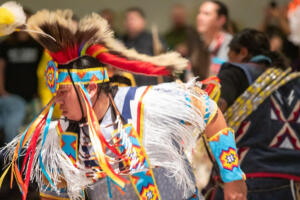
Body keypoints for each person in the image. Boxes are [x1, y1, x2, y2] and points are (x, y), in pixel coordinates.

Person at [0, 4, 247, 200]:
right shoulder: (62, 135)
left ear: (91, 88)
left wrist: (232, 176)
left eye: (64, 92)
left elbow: (205, 106)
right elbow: (56, 194)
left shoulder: (145, 103)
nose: (57, 100)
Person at [215, 29, 300, 200]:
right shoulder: (293, 81)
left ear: (243, 52)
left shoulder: (234, 72)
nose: (227, 60)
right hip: (292, 183)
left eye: (230, 54)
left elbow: (215, 111)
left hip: (246, 180)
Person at [0, 7, 43, 144]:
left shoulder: (38, 45)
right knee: (13, 122)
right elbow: (0, 68)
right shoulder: (6, 45)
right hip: (11, 94)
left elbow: (44, 69)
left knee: (38, 127)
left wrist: (41, 92)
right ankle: (9, 156)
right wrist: (2, 91)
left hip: (33, 96)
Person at [122, 7, 168, 86]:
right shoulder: (120, 42)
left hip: (151, 88)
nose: (130, 22)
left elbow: (166, 66)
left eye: (133, 19)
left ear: (143, 21)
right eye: (127, 19)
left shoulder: (154, 39)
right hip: (128, 88)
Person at [197, 0, 232, 75]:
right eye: (199, 13)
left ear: (221, 20)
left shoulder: (230, 44)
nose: (199, 17)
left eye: (206, 14)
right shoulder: (197, 43)